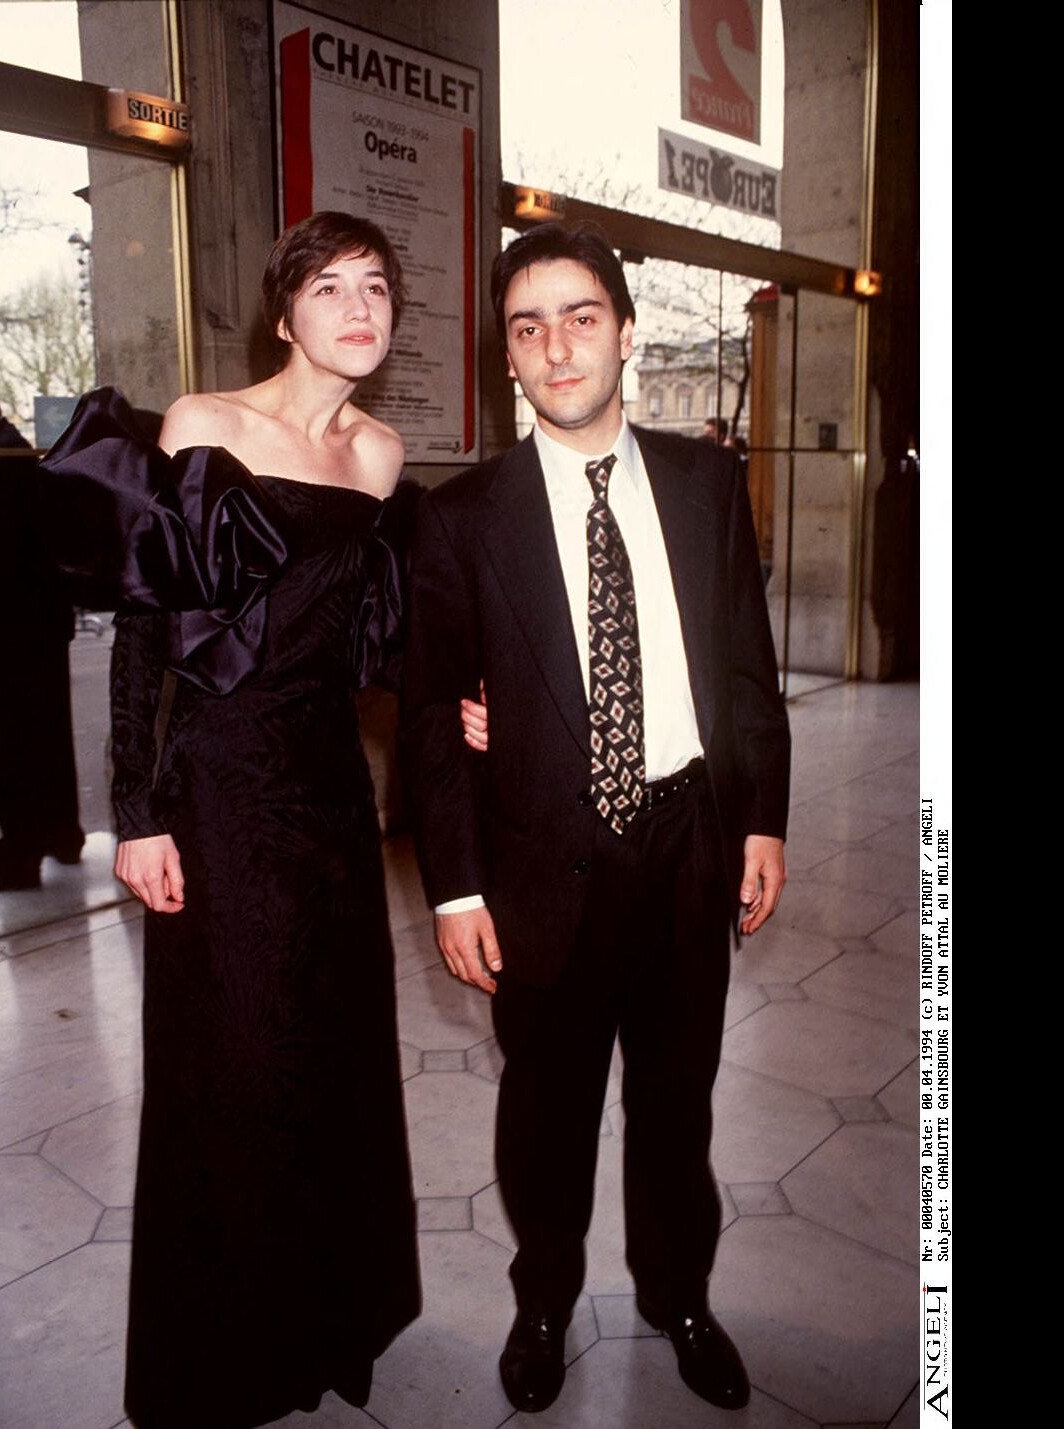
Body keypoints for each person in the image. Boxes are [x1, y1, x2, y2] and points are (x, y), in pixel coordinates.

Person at [39, 212, 430, 1428]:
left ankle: (325, 1317)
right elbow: (145, 630)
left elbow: (384, 635)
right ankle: (227, 1346)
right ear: (283, 311)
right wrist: (136, 810)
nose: (357, 309)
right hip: (216, 783)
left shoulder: (381, 454)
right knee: (236, 1061)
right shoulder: (207, 422)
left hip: (327, 787)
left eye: (376, 288)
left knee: (331, 1056)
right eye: (330, 288)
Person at [400, 221, 791, 1415]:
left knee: (679, 1099)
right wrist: (456, 885)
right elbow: (428, 719)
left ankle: (680, 1295)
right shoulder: (461, 519)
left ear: (627, 333)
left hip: (687, 846)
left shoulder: (707, 482)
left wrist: (763, 820)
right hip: (538, 865)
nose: (557, 348)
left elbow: (743, 674)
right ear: (507, 360)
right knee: (548, 1111)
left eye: (580, 319)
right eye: (528, 329)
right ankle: (542, 1298)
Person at [0, 372, 85, 892]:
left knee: (15, 744)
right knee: (47, 735)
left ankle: (19, 856)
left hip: (3, 622)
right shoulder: (18, 453)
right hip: (37, 619)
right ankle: (63, 836)